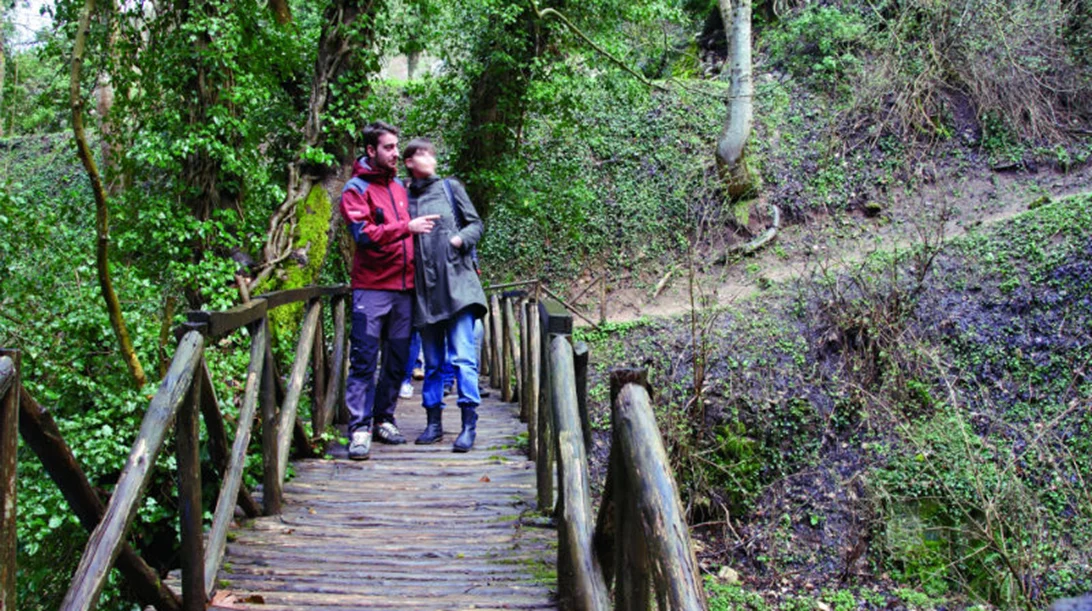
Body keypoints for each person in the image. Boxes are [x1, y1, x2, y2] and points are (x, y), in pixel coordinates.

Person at [340, 121, 440, 460]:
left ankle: (384, 418)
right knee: (364, 360)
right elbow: (363, 234)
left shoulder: (400, 187)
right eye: (389, 147)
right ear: (371, 151)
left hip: (404, 290)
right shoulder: (355, 189)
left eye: (397, 147)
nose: (396, 153)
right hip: (371, 289)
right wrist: (405, 228)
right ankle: (359, 429)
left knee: (397, 360)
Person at [402, 138, 487, 452]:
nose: (430, 159)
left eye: (431, 154)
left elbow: (476, 224)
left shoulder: (451, 188)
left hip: (458, 287)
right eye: (422, 153)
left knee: (463, 357)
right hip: (424, 292)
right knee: (434, 362)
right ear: (409, 161)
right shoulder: (403, 196)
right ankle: (433, 423)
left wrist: (458, 240)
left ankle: (468, 425)